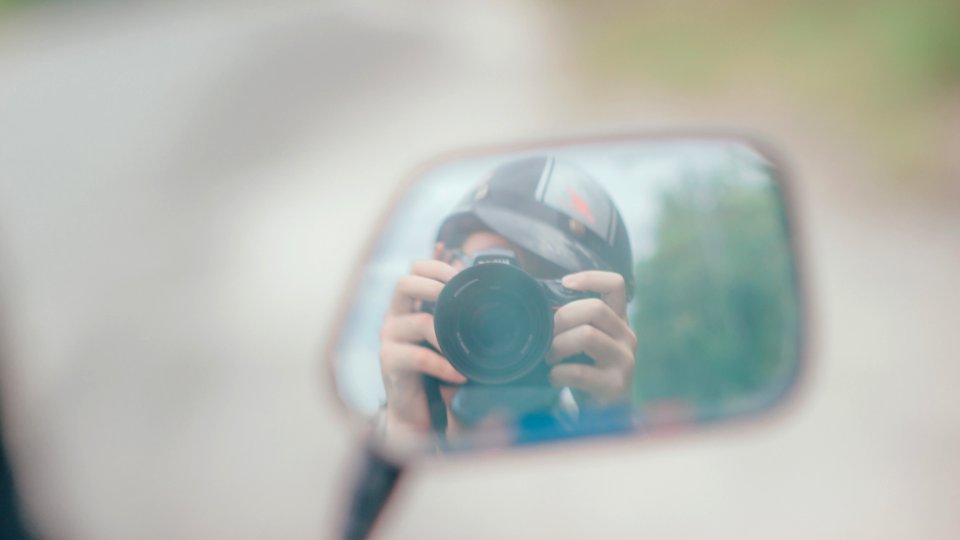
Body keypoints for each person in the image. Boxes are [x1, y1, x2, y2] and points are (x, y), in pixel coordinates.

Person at [378, 156, 637, 446]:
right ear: (440, 263)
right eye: (493, 275)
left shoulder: (594, 440)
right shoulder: (364, 442)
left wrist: (607, 427)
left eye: (549, 290)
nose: (509, 312)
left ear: (605, 320)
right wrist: (406, 434)